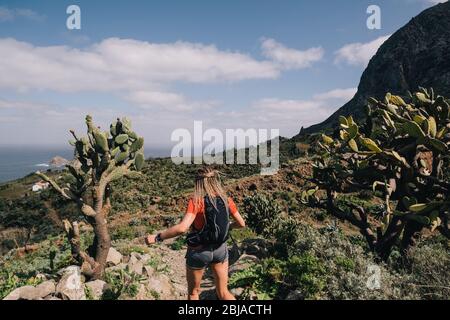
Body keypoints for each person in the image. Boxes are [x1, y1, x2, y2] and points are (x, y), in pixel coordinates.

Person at [145, 167, 246, 300]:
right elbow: (241, 224)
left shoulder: (196, 201)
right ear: (215, 180)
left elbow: (182, 228)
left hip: (199, 251)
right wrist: (228, 227)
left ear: (198, 183)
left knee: (194, 293)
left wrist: (158, 237)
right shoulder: (226, 200)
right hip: (220, 249)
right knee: (223, 292)